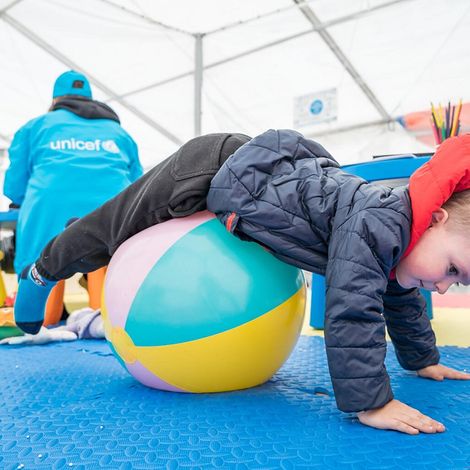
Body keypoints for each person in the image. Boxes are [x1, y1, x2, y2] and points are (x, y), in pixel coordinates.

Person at [13, 129, 470, 435]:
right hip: (211, 166)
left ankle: (60, 256)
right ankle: (40, 271)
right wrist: (371, 402)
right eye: (452, 269)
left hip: (254, 174)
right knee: (109, 230)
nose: (447, 286)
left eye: (460, 282)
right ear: (435, 219)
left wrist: (422, 360)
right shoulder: (381, 222)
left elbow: (399, 296)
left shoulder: (402, 238)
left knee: (110, 233)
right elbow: (353, 308)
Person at [3, 70, 143, 276]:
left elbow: (14, 187)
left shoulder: (35, 127)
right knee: (116, 274)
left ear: (56, 100)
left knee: (34, 272)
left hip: (47, 213)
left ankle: (43, 305)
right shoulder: (120, 134)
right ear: (90, 98)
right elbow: (137, 184)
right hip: (112, 215)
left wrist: (21, 202)